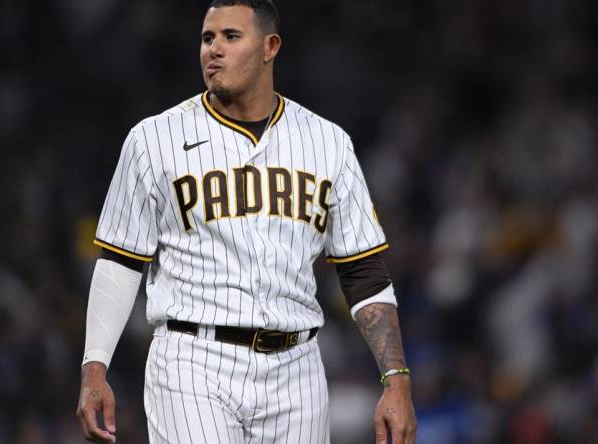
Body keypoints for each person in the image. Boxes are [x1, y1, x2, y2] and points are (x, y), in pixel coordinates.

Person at [76, 1, 416, 442]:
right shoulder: (153, 139)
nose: (213, 49)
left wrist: (397, 377)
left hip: (297, 369)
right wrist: (94, 366)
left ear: (269, 47)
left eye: (230, 37)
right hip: (192, 360)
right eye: (206, 38)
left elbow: (362, 272)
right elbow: (120, 262)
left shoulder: (328, 143)